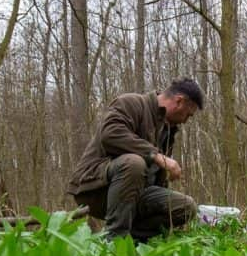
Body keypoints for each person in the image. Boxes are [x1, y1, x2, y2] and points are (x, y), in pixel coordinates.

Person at [68, 78, 203, 241]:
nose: (185, 120)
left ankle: (133, 241)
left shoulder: (168, 129)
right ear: (179, 101)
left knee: (186, 206)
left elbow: (156, 177)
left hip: (136, 193)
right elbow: (110, 134)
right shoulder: (131, 103)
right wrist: (156, 155)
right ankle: (115, 241)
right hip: (95, 187)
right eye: (188, 114)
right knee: (134, 163)